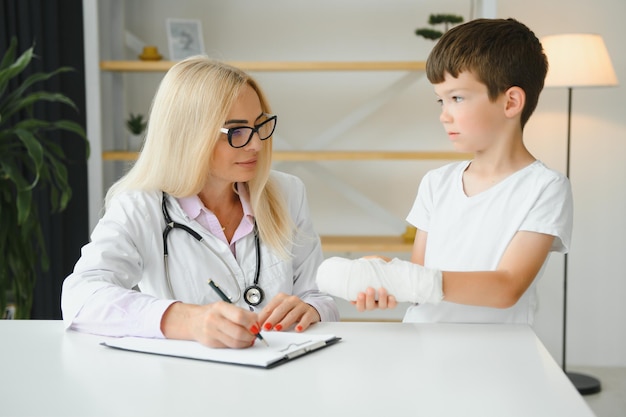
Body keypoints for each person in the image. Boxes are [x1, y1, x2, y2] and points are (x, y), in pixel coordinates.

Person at [62, 56, 339, 348]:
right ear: (189, 136)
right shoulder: (140, 207)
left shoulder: (287, 193)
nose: (256, 144)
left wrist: (312, 310)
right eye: (237, 131)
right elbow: (80, 297)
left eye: (259, 126)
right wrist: (187, 321)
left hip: (282, 372)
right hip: (189, 384)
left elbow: (320, 297)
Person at [317, 18, 573, 325]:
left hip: (498, 357)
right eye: (442, 100)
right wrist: (384, 273)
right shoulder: (437, 182)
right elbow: (419, 283)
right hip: (423, 346)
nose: (444, 115)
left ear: (511, 102)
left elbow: (507, 287)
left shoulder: (545, 187)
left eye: (457, 98)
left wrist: (404, 279)